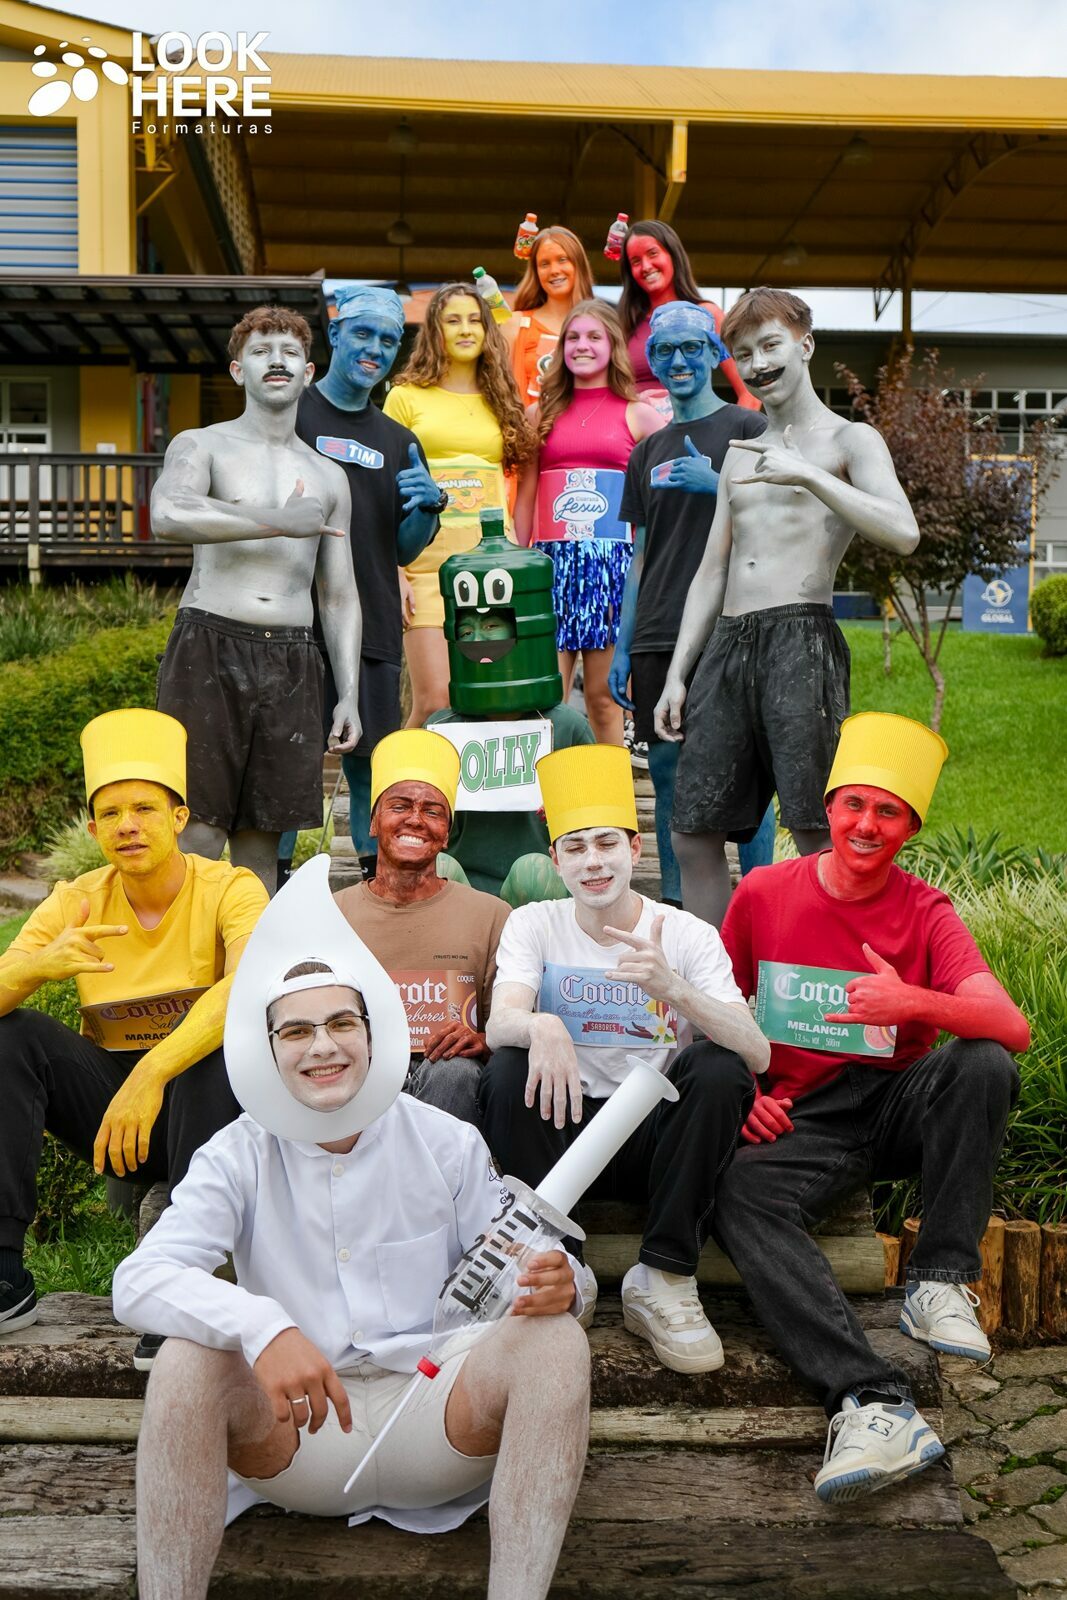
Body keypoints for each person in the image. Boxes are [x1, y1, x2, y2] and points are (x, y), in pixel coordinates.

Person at [112, 861, 590, 1600]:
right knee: (183, 1361)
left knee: (557, 1341)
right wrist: (263, 1328)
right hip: (295, 1438)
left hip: (436, 1424)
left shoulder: (446, 1141)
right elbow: (139, 1280)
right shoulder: (236, 1153)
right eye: (296, 1031)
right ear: (269, 1048)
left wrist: (564, 1284)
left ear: (373, 1033)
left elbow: (530, 1258)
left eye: (341, 1023)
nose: (323, 1047)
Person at [714, 712, 1030, 1504]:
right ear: (827, 809)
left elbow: (1009, 1027)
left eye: (888, 811)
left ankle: (939, 1281)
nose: (866, 824)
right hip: (801, 1113)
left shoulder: (925, 911)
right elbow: (710, 1007)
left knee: (981, 1062)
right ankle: (873, 1404)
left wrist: (911, 1000)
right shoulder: (763, 892)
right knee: (739, 1192)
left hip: (895, 1101)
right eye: (853, 804)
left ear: (909, 828)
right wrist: (743, 1093)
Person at [480, 743, 769, 1372]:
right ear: (555, 860)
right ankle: (560, 1262)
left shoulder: (685, 933)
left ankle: (664, 1276)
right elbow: (499, 1024)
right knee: (505, 1069)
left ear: (635, 850)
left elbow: (758, 1052)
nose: (593, 861)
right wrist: (542, 1024)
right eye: (576, 847)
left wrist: (675, 989)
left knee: (719, 1066)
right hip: (563, 1131)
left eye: (607, 843)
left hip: (655, 1140)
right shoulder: (535, 924)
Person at [0, 710, 266, 1350]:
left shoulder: (231, 887)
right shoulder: (77, 899)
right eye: (111, 814)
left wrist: (152, 1072)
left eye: (144, 808)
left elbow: (250, 986)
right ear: (93, 829)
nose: (127, 825)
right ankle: (5, 1272)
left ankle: (186, 1278)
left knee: (213, 1047)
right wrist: (38, 965)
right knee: (11, 1034)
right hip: (117, 1121)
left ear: (179, 817)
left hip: (215, 1109)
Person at [655, 288, 921, 928]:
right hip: (727, 643)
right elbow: (712, 569)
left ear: (805, 345)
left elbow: (903, 531)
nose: (758, 364)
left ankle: (825, 977)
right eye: (744, 354)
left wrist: (808, 474)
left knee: (814, 830)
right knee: (693, 831)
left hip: (801, 636)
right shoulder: (741, 454)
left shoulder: (851, 439)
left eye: (770, 345)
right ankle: (720, 981)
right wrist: (678, 673)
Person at [152, 305, 362, 894]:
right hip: (209, 642)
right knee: (195, 832)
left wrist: (348, 693)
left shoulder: (329, 476)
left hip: (292, 656)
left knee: (261, 847)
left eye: (290, 352)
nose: (277, 361)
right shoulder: (202, 445)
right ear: (237, 369)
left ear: (309, 373)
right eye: (262, 351)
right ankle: (185, 956)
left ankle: (248, 955)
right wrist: (277, 521)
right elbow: (167, 512)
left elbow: (339, 594)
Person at [280, 285, 446, 883]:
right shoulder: (290, 414)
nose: (374, 348)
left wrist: (427, 509)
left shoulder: (399, 441)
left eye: (388, 340)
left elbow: (402, 547)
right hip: (290, 623)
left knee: (370, 769)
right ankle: (270, 894)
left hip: (372, 622)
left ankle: (380, 893)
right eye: (362, 334)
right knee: (288, 766)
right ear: (335, 334)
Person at [608, 302, 767, 906]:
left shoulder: (748, 429)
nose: (678, 360)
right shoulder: (646, 451)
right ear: (652, 360)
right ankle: (677, 906)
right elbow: (639, 556)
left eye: (691, 348)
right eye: (665, 350)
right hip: (657, 630)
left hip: (735, 625)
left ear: (714, 355)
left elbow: (779, 519)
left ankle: (760, 903)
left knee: (748, 775)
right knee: (668, 770)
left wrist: (717, 483)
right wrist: (623, 645)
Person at [335, 729, 510, 1126]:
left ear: (446, 834)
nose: (415, 820)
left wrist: (482, 1041)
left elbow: (508, 1024)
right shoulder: (333, 914)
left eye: (433, 812)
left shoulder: (492, 916)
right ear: (374, 822)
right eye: (399, 806)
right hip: (359, 1075)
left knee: (455, 1072)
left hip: (450, 1081)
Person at [513, 301, 664, 746]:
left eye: (594, 337)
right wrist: (520, 563)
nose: (582, 346)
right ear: (561, 348)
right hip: (550, 568)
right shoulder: (539, 414)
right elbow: (525, 496)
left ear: (612, 346)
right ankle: (544, 788)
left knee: (603, 698)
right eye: (574, 337)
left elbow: (663, 494)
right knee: (545, 698)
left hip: (613, 570)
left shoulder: (639, 414)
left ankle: (611, 788)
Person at [384, 284, 535, 728]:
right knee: (434, 700)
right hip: (424, 568)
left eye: (474, 320)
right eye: (453, 320)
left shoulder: (502, 398)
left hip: (492, 569)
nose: (465, 329)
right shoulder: (406, 396)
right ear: (435, 331)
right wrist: (395, 571)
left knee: (491, 700)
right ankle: (396, 776)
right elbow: (383, 491)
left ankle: (465, 779)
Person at [427, 509, 595, 900]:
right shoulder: (442, 728)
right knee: (438, 866)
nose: (478, 639)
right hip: (463, 893)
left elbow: (596, 826)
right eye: (467, 629)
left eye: (492, 626)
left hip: (541, 890)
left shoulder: (566, 726)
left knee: (533, 871)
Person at [617, 220, 759, 410]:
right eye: (635, 261)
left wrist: (730, 430)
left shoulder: (707, 315)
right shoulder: (623, 324)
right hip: (632, 428)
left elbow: (750, 393)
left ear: (673, 255)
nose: (646, 266)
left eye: (653, 253)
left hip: (691, 426)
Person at [498, 224, 595, 403]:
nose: (554, 270)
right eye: (544, 264)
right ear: (536, 272)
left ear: (578, 264)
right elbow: (499, 391)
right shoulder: (515, 324)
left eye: (562, 260)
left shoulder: (601, 326)